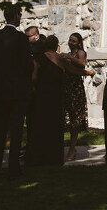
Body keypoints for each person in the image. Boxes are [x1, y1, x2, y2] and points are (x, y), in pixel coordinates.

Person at [0, 5, 33, 179]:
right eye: (20, 14)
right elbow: (27, 65)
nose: (21, 17)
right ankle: (14, 167)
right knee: (16, 130)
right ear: (15, 16)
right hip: (17, 89)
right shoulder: (20, 38)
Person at [27, 35, 67, 166]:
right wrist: (87, 72)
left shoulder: (38, 59)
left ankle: (39, 156)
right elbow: (73, 70)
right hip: (56, 96)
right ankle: (54, 157)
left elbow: (33, 77)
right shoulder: (60, 59)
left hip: (42, 95)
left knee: (41, 125)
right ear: (56, 45)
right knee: (54, 126)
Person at [64, 32, 92, 162]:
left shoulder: (80, 53)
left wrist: (68, 58)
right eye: (70, 40)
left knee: (75, 120)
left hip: (76, 89)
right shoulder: (67, 54)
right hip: (66, 88)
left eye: (74, 41)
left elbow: (82, 63)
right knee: (66, 119)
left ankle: (72, 149)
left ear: (79, 43)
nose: (71, 42)